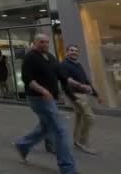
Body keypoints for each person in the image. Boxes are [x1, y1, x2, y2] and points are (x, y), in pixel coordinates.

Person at [14, 34, 79, 174]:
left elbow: (61, 75)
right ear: (35, 43)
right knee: (60, 130)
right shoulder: (30, 57)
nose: (44, 44)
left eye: (46, 42)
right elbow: (28, 80)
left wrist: (76, 89)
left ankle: (22, 145)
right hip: (38, 99)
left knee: (46, 128)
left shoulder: (50, 57)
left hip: (51, 99)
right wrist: (43, 91)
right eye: (41, 42)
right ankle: (68, 169)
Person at [60, 44, 104, 155]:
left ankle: (76, 140)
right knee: (89, 117)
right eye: (71, 50)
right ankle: (83, 142)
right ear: (67, 52)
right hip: (75, 95)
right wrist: (76, 93)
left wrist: (96, 94)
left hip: (82, 94)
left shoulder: (78, 65)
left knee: (80, 117)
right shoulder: (64, 65)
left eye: (76, 51)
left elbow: (86, 81)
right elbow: (67, 80)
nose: (74, 52)